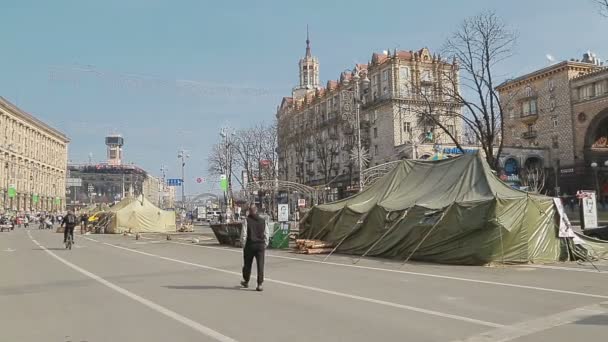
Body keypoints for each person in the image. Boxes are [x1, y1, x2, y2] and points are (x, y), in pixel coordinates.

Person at [240, 204, 269, 292]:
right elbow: (266, 233)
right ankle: (259, 284)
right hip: (260, 245)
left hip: (250, 244)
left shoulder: (247, 220)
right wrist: (265, 243)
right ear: (256, 211)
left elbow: (244, 234)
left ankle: (246, 281)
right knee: (260, 265)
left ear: (249, 211)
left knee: (247, 264)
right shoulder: (263, 220)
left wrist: (243, 244)